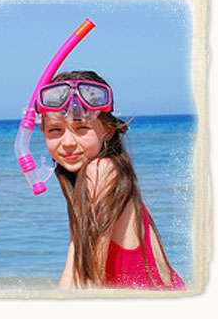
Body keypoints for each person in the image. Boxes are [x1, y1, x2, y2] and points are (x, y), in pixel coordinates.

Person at [37, 70, 185, 290]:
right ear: (42, 131)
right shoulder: (97, 175)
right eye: (55, 130)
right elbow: (76, 262)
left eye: (81, 128)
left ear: (107, 131)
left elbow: (86, 276)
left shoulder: (100, 171)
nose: (67, 142)